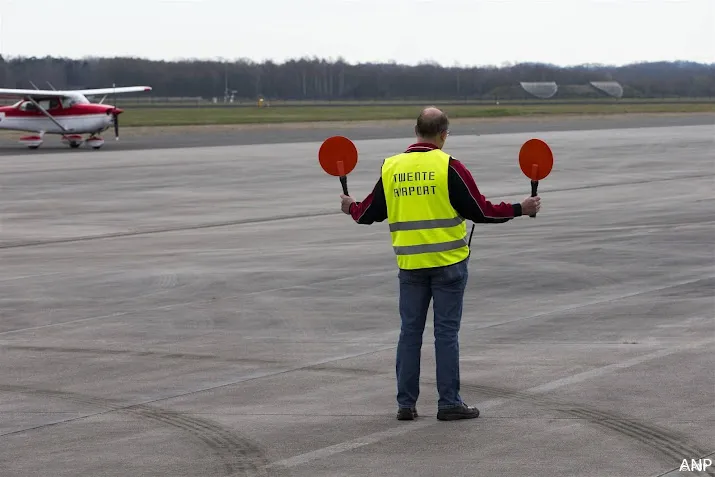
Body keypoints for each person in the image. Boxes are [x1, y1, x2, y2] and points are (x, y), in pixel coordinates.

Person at [340, 107, 541, 422]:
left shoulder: (391, 167)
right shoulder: (450, 166)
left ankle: (406, 405)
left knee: (410, 333)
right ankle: (448, 403)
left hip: (410, 266)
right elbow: (481, 211)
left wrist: (350, 206)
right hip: (449, 264)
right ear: (444, 135)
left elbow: (368, 213)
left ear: (416, 131)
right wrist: (520, 207)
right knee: (446, 334)